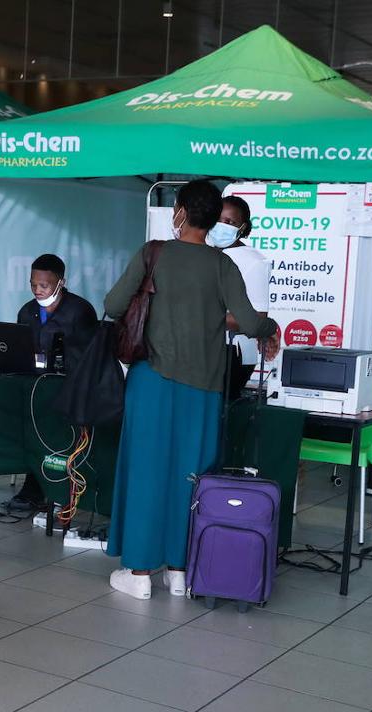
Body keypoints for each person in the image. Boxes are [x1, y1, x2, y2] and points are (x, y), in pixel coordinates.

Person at [103, 180, 279, 600]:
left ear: (178, 211)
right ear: (216, 216)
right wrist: (270, 330)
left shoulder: (153, 254)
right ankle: (180, 571)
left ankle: (140, 573)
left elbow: (112, 306)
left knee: (147, 471)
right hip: (204, 387)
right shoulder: (223, 266)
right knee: (192, 477)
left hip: (152, 382)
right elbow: (252, 322)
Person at [7, 253, 99, 513]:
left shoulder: (80, 311)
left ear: (61, 282)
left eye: (44, 285)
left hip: (68, 388)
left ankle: (50, 487)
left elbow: (87, 358)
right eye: (33, 284)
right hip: (34, 386)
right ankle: (28, 483)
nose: (38, 290)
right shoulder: (27, 311)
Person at [209, 195, 274, 397]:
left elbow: (257, 318)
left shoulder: (253, 261)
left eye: (230, 222)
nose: (222, 226)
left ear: (242, 227)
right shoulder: (204, 252)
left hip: (232, 352)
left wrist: (203, 317)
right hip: (201, 347)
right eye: (218, 219)